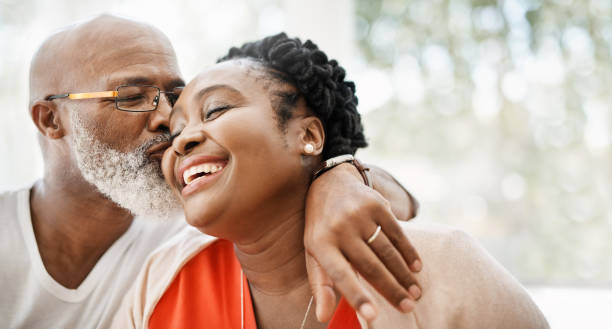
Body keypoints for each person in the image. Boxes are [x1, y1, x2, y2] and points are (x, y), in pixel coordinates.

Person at [1, 15, 423, 329]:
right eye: (132, 96)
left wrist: (340, 177)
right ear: (50, 120)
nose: (168, 120)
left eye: (174, 96)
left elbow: (405, 203)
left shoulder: (196, 226)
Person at [113, 33, 549, 328]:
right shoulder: (163, 280)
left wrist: (344, 172)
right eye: (175, 131)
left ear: (308, 135)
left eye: (216, 110)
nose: (183, 139)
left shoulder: (439, 265)